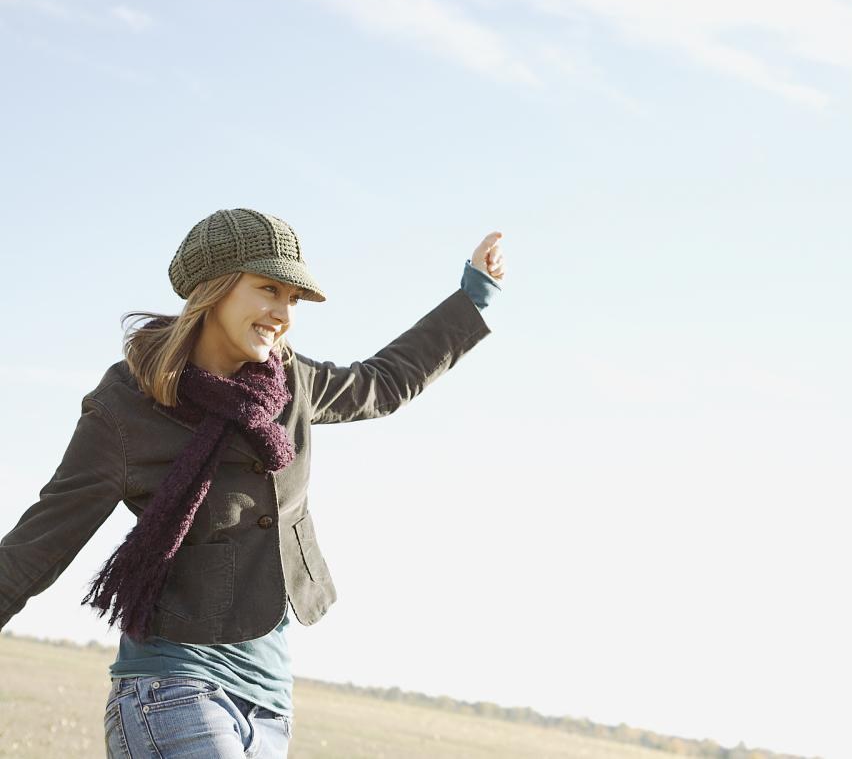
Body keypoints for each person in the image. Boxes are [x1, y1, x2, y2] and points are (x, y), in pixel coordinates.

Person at [0, 208, 506, 758]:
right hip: (170, 687)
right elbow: (40, 543)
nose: (283, 313)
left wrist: (474, 295)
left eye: (293, 299)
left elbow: (381, 383)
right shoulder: (127, 404)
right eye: (269, 289)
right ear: (213, 290)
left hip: (268, 702)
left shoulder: (290, 384)